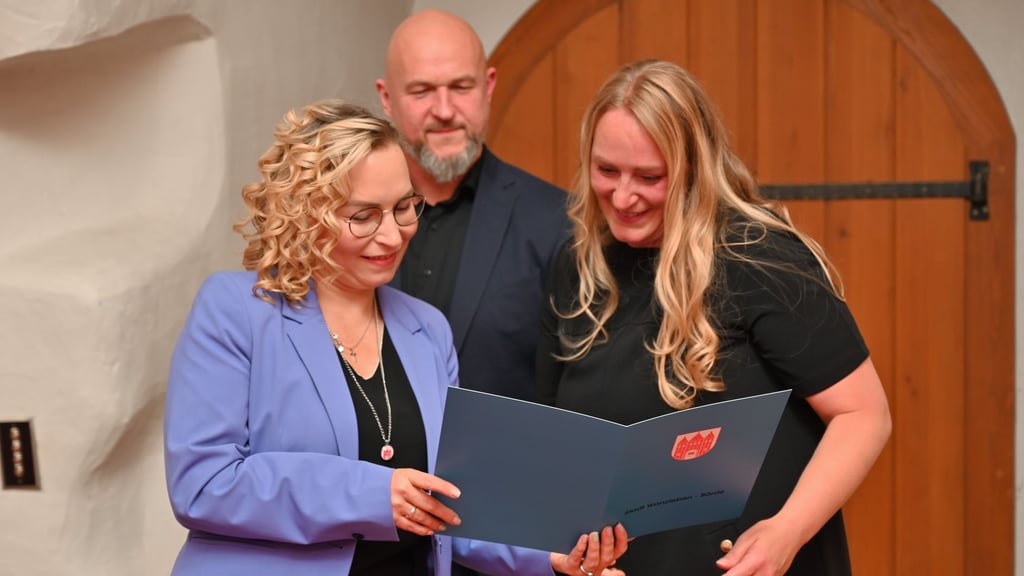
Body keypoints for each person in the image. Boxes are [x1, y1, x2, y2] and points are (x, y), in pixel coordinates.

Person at [163, 100, 626, 576]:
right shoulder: (236, 311)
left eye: (404, 208)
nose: (393, 236)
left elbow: (450, 501)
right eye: (363, 216)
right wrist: (371, 494)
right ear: (307, 214)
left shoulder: (426, 330)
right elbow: (204, 483)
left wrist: (547, 555)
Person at [536, 60, 892, 576]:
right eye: (606, 170)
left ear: (693, 168)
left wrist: (787, 530)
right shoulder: (576, 266)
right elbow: (558, 439)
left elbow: (864, 416)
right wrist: (568, 553)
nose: (622, 196)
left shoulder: (760, 257)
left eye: (650, 177)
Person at [376, 9, 569, 403]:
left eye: (461, 87)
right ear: (387, 99)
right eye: (422, 91)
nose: (445, 110)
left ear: (488, 86)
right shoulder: (342, 220)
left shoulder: (558, 221)